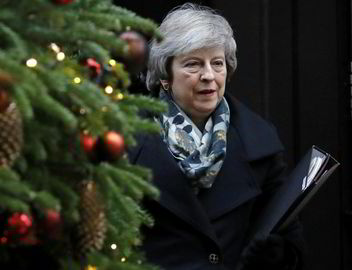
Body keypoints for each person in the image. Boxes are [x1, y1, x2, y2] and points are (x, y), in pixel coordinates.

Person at [127, 3, 305, 270]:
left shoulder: (260, 146)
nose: (209, 76)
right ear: (166, 75)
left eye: (217, 63)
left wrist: (275, 257)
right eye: (193, 64)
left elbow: (291, 245)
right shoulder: (125, 141)